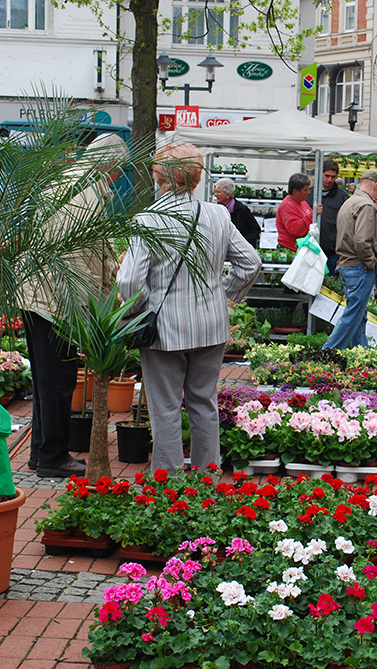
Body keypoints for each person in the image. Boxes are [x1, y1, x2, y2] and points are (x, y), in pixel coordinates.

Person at [117, 142, 261, 474]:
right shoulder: (217, 214)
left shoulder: (148, 220)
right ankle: (207, 483)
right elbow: (251, 263)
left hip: (163, 330)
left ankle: (167, 486)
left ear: (159, 175)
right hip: (212, 327)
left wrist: (138, 312)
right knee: (204, 404)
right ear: (196, 178)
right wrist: (223, 295)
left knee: (165, 408)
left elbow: (130, 284)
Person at [19, 133, 129, 477]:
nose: (117, 177)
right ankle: (52, 456)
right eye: (118, 170)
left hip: (36, 294)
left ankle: (42, 452)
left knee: (45, 379)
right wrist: (101, 306)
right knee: (59, 380)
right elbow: (85, 260)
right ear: (108, 165)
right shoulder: (87, 195)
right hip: (55, 300)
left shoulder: (68, 181)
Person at [323, 170, 377, 350]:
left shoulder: (349, 201)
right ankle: (327, 354)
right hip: (359, 266)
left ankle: (361, 354)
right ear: (376, 185)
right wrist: (371, 263)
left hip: (347, 264)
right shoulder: (366, 205)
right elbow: (362, 241)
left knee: (359, 315)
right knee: (353, 315)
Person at [308, 159, 349, 274]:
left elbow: (348, 226)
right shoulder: (309, 195)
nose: (329, 180)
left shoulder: (342, 197)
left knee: (329, 288)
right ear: (320, 174)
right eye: (327, 176)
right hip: (310, 248)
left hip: (333, 252)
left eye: (333, 177)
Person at [213, 177, 260, 247]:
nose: (215, 195)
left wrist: (243, 242)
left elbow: (255, 229)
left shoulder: (241, 209)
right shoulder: (217, 209)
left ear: (227, 195)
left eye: (218, 192)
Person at [276, 173, 314, 251]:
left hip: (300, 248)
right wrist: (311, 216)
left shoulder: (302, 202)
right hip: (289, 249)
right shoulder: (287, 205)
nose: (309, 192)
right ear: (296, 191)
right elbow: (295, 229)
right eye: (305, 190)